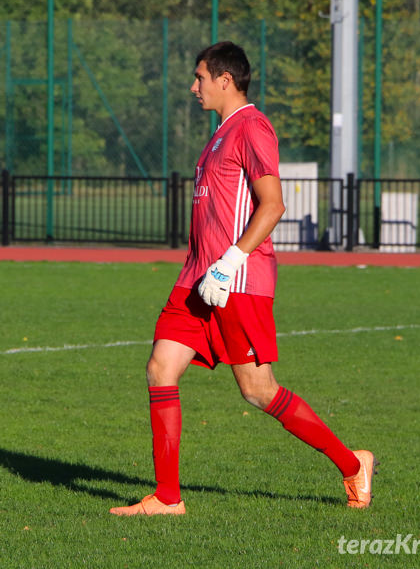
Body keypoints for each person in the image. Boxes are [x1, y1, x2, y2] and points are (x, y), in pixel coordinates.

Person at [109, 41, 374, 516]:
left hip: (238, 280)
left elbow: (273, 205)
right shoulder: (220, 134)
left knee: (257, 390)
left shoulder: (252, 127)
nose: (194, 87)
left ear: (225, 80)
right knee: (159, 369)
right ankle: (168, 498)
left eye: (200, 78)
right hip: (197, 280)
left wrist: (230, 261)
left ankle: (352, 463)